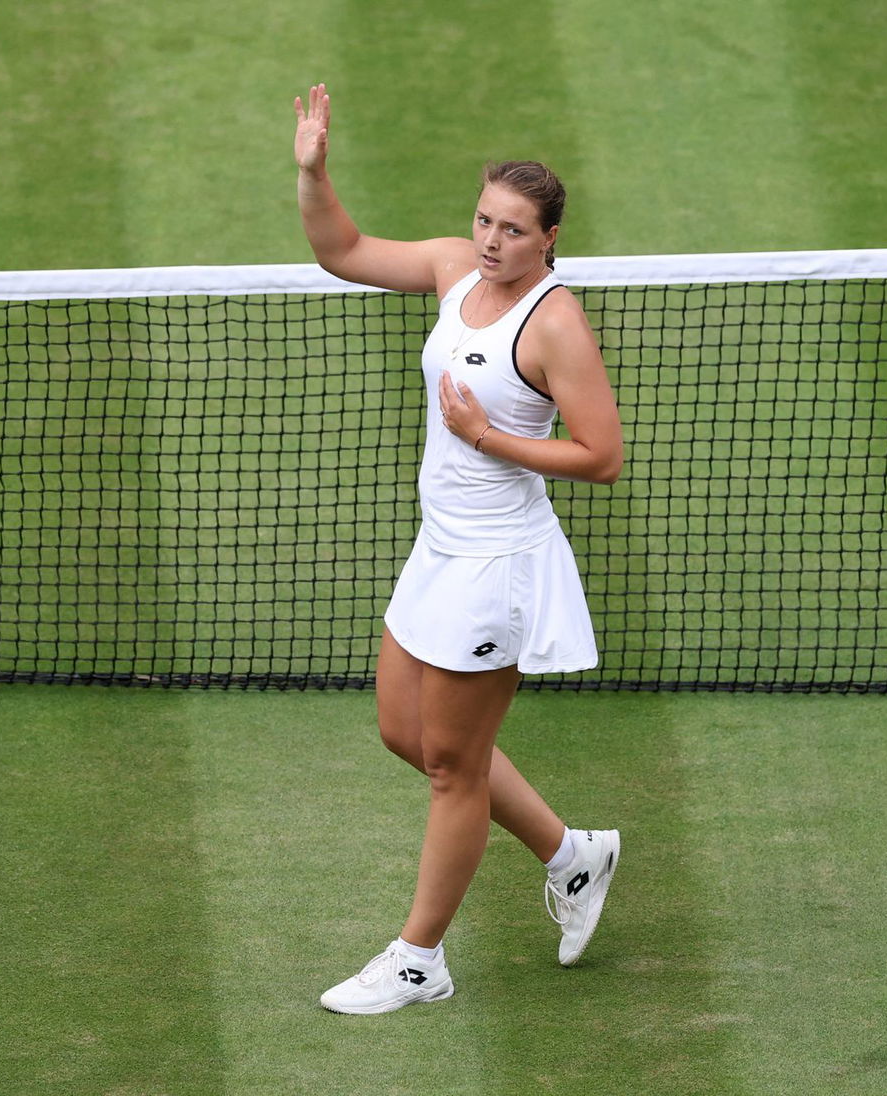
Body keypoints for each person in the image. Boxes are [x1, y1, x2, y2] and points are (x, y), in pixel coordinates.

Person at [294, 83, 624, 1015]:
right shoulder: (453, 273)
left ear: (549, 238)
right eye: (484, 220)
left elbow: (600, 455)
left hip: (499, 567)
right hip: (438, 548)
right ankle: (573, 854)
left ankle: (417, 961)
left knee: (452, 768)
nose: (490, 241)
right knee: (408, 732)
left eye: (513, 230)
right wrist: (315, 173)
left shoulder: (555, 323)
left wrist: (492, 439)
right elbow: (343, 251)